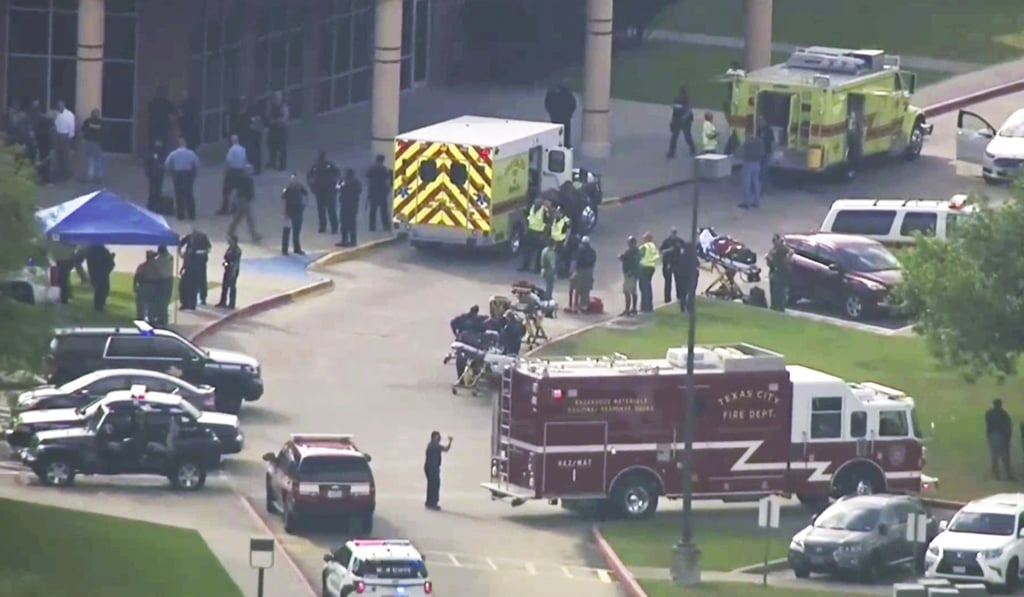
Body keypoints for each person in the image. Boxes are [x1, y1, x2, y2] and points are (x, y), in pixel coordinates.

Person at [164, 137, 200, 221]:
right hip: (188, 174)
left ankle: (180, 215)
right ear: (185, 144)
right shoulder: (191, 153)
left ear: (178, 144)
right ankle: (191, 214)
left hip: (177, 174)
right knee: (189, 194)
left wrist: (171, 173)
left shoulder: (174, 153)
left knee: (178, 194)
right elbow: (197, 163)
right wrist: (193, 174)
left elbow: (167, 164)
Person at [307, 150, 341, 234]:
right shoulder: (316, 166)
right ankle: (323, 226)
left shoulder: (328, 165)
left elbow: (337, 173)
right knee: (321, 210)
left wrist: (335, 186)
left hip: (329, 191)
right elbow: (309, 176)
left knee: (331, 210)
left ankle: (334, 227)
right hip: (320, 191)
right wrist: (312, 186)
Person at [179, 228, 212, 309]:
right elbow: (181, 244)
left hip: (199, 266)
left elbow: (208, 249)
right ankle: (185, 302)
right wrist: (180, 252)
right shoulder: (189, 239)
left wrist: (200, 253)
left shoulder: (202, 240)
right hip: (189, 267)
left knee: (198, 284)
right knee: (184, 286)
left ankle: (199, 299)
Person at [228, 164, 261, 243]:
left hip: (243, 200)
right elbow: (246, 190)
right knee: (249, 218)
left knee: (238, 217)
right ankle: (254, 235)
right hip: (244, 200)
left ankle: (230, 231)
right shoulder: (246, 179)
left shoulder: (244, 178)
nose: (251, 171)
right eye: (250, 170)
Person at [218, 135, 247, 215]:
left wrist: (225, 170)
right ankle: (236, 207)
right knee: (238, 190)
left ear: (231, 141)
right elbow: (244, 160)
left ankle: (225, 208)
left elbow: (229, 161)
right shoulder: (242, 149)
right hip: (240, 170)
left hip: (232, 171)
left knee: (226, 191)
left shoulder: (232, 149)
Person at [424, 431, 453, 510]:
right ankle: (433, 503)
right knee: (434, 485)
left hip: (430, 468)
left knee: (431, 486)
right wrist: (450, 441)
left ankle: (429, 502)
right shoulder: (434, 446)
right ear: (434, 437)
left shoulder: (431, 445)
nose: (439, 438)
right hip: (432, 468)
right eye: (438, 437)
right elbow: (446, 449)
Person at [986, 399, 1014, 481]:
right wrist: (1008, 436)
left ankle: (996, 474)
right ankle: (1007, 474)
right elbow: (1007, 425)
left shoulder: (989, 413)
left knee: (994, 455)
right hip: (1001, 436)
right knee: (1004, 456)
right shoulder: (1003, 413)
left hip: (992, 436)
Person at [281, 174, 309, 256]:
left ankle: (294, 248)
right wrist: (284, 213)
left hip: (296, 212)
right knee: (288, 231)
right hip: (290, 212)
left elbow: (306, 197)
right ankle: (286, 249)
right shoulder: (288, 190)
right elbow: (283, 201)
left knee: (295, 231)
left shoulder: (299, 189)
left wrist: (304, 206)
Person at [738, 125, 765, 209]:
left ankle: (746, 202)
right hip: (757, 163)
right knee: (756, 182)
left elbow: (740, 152)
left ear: (747, 133)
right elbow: (762, 152)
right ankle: (756, 201)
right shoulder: (760, 141)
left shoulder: (747, 142)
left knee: (746, 183)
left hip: (748, 163)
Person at [518, 198, 548, 273]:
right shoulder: (532, 207)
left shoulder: (544, 211)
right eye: (535, 201)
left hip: (539, 233)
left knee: (539, 253)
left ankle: (537, 269)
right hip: (530, 231)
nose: (536, 203)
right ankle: (525, 266)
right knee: (527, 251)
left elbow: (547, 223)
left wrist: (544, 234)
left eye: (538, 202)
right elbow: (528, 216)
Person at [544, 81, 577, 148]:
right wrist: (569, 113)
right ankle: (565, 145)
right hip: (565, 116)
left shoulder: (551, 93)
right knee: (565, 132)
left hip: (556, 116)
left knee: (556, 132)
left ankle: (557, 144)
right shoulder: (567, 93)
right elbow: (573, 104)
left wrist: (551, 112)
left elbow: (547, 104)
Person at [83, 244, 115, 312]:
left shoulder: (89, 250)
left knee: (98, 290)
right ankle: (100, 306)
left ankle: (97, 306)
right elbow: (111, 263)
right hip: (102, 273)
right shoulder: (102, 250)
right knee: (103, 290)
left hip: (93, 273)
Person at [365, 154, 392, 232]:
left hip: (373, 192)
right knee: (383, 211)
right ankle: (386, 226)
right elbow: (387, 181)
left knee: (373, 211)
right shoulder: (384, 169)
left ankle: (372, 227)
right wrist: (387, 190)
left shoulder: (371, 168)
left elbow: (368, 180)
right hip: (382, 192)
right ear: (382, 161)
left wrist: (369, 191)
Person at [336, 169, 362, 247]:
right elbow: (359, 191)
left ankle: (345, 241)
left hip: (346, 204)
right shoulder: (356, 182)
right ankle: (352, 241)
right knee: (352, 223)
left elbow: (337, 188)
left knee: (344, 223)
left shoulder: (344, 182)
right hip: (353, 205)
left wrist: (340, 182)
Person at [667, 86, 695, 158]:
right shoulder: (677, 100)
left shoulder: (687, 101)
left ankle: (692, 148)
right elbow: (675, 112)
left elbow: (689, 112)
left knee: (687, 137)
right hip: (678, 121)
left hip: (685, 122)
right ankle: (671, 152)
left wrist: (684, 118)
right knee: (674, 137)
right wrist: (673, 122)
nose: (681, 95)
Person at [765, 234, 791, 311]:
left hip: (780, 272)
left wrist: (786, 260)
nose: (774, 242)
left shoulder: (782, 248)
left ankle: (781, 307)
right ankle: (774, 305)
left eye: (775, 240)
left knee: (780, 290)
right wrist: (768, 259)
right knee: (773, 289)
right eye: (773, 240)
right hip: (773, 270)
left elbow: (790, 252)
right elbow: (770, 259)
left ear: (779, 240)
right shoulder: (773, 249)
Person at [659, 228, 686, 304]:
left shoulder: (679, 241)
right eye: (672, 233)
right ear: (670, 233)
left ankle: (679, 298)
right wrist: (669, 250)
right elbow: (661, 251)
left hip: (677, 264)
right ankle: (667, 300)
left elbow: (685, 249)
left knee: (679, 282)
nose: (673, 234)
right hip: (667, 264)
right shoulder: (667, 241)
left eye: (675, 233)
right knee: (668, 282)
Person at [571, 236, 597, 313]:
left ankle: (576, 306)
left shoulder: (579, 250)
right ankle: (584, 306)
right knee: (586, 290)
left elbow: (576, 260)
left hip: (580, 271)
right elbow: (593, 261)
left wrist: (573, 270)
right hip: (589, 271)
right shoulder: (592, 251)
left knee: (578, 288)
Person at [216, 235, 242, 309]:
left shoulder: (237, 250)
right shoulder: (229, 248)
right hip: (228, 269)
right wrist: (225, 263)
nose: (228, 241)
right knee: (224, 286)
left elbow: (234, 262)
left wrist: (232, 271)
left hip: (233, 270)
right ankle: (223, 302)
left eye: (230, 240)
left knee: (232, 287)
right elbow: (226, 258)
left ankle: (231, 304)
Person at [265, 91, 289, 171]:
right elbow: (268, 116)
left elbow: (285, 118)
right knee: (272, 146)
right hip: (273, 130)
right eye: (275, 97)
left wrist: (276, 121)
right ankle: (272, 162)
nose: (276, 99)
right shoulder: (272, 106)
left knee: (282, 148)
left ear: (281, 98)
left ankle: (282, 165)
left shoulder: (284, 107)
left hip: (281, 129)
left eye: (278, 97)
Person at [52, 100, 75, 182]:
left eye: (60, 105)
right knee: (58, 155)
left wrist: (70, 138)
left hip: (65, 136)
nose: (59, 107)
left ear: (63, 105)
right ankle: (58, 172)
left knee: (65, 156)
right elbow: (55, 125)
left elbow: (72, 127)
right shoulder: (57, 114)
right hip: (58, 136)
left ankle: (66, 173)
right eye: (58, 105)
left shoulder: (69, 115)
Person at [152, 246, 175, 325]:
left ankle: (161, 318)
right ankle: (163, 318)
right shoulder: (170, 258)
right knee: (165, 300)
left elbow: (156, 268)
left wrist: (154, 256)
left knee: (160, 301)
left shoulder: (158, 260)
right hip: (169, 280)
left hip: (161, 281)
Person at [133, 251, 158, 321]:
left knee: (141, 305)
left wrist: (134, 286)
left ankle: (141, 319)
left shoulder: (141, 266)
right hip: (151, 286)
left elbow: (136, 277)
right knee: (151, 305)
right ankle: (150, 319)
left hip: (143, 286)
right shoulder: (155, 267)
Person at [619, 236, 641, 316]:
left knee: (627, 291)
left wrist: (620, 256)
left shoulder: (631, 252)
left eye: (629, 242)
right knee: (632, 291)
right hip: (632, 274)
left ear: (633, 243)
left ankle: (628, 309)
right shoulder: (636, 252)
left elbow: (624, 258)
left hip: (630, 275)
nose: (628, 244)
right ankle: (633, 308)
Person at [638, 232, 660, 313]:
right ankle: (649, 305)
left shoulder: (644, 247)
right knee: (648, 287)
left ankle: (645, 307)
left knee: (644, 288)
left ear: (646, 239)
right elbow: (657, 255)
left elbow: (638, 255)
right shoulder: (653, 246)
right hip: (651, 267)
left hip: (644, 267)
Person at [80, 108, 104, 183]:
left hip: (96, 143)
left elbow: (103, 132)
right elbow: (83, 130)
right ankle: (91, 175)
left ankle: (98, 176)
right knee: (90, 160)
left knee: (97, 160)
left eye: (97, 113)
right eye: (95, 113)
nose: (96, 114)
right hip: (89, 142)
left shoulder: (100, 122)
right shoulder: (88, 121)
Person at [144, 139, 168, 212]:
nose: (159, 146)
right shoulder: (152, 153)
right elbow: (147, 164)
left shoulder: (163, 154)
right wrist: (148, 173)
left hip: (160, 174)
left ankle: (156, 206)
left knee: (158, 191)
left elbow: (165, 163)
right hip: (153, 174)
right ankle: (150, 205)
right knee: (152, 190)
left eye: (160, 144)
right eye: (158, 144)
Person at [549, 206, 571, 277]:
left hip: (562, 242)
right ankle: (558, 272)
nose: (556, 213)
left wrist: (566, 242)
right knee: (556, 258)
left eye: (557, 212)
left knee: (562, 258)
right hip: (555, 240)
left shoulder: (566, 221)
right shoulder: (556, 219)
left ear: (561, 213)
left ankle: (563, 273)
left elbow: (568, 232)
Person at [757, 114, 774, 187]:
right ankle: (763, 185)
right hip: (760, 153)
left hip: (766, 152)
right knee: (761, 170)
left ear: (765, 121)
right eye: (759, 120)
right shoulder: (758, 130)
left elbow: (771, 140)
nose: (759, 122)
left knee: (764, 170)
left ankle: (764, 185)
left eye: (761, 120)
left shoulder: (768, 130)